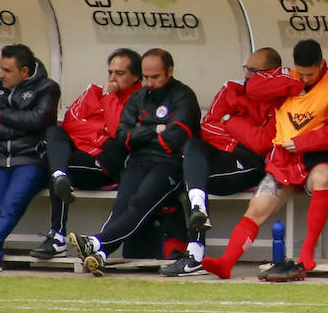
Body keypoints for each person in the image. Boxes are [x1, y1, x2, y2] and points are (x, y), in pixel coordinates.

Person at [203, 39, 328, 281]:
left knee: (323, 177)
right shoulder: (288, 78)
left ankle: (306, 254)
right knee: (257, 208)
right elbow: (254, 88)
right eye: (300, 73)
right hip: (284, 159)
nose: (304, 79)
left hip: (316, 158)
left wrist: (304, 142)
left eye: (309, 74)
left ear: (321, 64)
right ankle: (226, 262)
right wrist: (292, 85)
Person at [71, 48, 200, 276]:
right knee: (122, 207)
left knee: (140, 204)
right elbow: (123, 137)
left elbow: (174, 139)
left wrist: (141, 130)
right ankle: (100, 254)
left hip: (169, 163)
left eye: (155, 77)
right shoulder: (138, 97)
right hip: (138, 160)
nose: (149, 83)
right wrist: (156, 129)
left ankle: (96, 242)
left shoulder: (183, 96)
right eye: (146, 77)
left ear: (169, 71)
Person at [160, 48, 282, 277]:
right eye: (247, 69)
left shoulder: (279, 101)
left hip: (246, 164)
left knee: (186, 177)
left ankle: (193, 254)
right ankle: (197, 211)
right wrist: (240, 135)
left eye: (254, 71)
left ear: (271, 73)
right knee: (193, 145)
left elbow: (262, 143)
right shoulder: (231, 88)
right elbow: (207, 127)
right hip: (216, 152)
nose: (247, 75)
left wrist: (227, 120)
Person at [31, 48, 141, 259]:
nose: (112, 79)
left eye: (119, 73)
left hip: (104, 164)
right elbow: (71, 123)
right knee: (54, 132)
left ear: (135, 76)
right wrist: (101, 135)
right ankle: (59, 177)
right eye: (110, 72)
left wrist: (109, 97)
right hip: (81, 154)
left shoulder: (139, 100)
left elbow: (118, 131)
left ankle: (57, 238)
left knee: (55, 163)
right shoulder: (93, 92)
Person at [0, 44, 61, 274]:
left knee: (10, 206)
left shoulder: (47, 88)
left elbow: (40, 120)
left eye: (7, 70)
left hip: (30, 160)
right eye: (1, 69)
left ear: (25, 72)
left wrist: (3, 116)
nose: (1, 75)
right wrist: (15, 128)